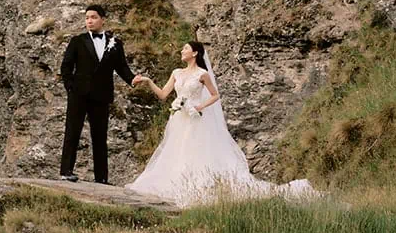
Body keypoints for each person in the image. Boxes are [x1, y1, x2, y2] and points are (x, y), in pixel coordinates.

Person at [128, 41, 316, 207]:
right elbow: (162, 94)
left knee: (194, 150)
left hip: (194, 118)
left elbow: (215, 95)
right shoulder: (176, 73)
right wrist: (148, 80)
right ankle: (176, 182)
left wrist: (199, 106)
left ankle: (195, 184)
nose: (181, 51)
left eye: (185, 48)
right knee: (176, 149)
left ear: (194, 53)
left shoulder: (202, 74)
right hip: (179, 119)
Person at [59, 5, 145, 184]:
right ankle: (66, 170)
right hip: (79, 95)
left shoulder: (115, 43)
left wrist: (131, 79)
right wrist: (71, 88)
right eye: (87, 18)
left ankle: (102, 178)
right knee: (72, 132)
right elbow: (66, 66)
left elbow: (121, 67)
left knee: (100, 136)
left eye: (93, 17)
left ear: (103, 19)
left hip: (102, 95)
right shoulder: (77, 41)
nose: (89, 21)